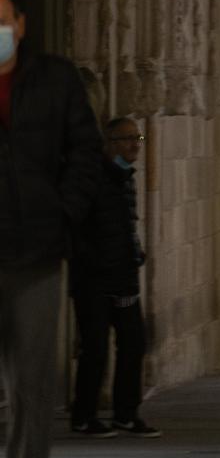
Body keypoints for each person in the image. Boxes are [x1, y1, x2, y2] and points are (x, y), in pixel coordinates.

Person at [0, 0, 101, 458]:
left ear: (21, 23)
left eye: (2, 19)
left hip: (36, 254)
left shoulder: (54, 81)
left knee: (31, 386)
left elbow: (86, 150)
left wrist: (63, 211)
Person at [70, 116, 159, 436]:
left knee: (133, 343)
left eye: (137, 138)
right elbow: (78, 227)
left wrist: (134, 253)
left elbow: (125, 224)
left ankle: (126, 412)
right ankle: (84, 416)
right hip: (94, 278)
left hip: (123, 275)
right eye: (126, 139)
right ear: (109, 144)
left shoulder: (125, 178)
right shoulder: (92, 179)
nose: (135, 144)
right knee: (95, 347)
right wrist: (94, 261)